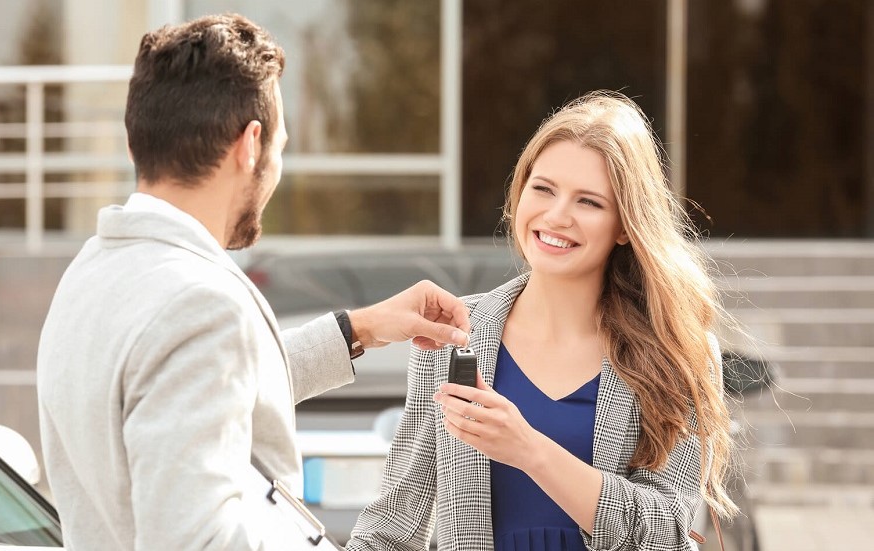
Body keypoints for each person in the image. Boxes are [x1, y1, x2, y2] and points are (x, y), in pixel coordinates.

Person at [36, 14, 470, 551]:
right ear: (250, 145)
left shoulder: (93, 271)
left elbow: (191, 388)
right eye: (280, 148)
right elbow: (194, 540)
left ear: (136, 144)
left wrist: (360, 329)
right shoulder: (199, 306)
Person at [347, 91, 738, 551]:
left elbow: (670, 532)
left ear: (626, 225)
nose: (556, 216)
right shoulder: (455, 335)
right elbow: (395, 523)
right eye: (544, 188)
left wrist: (529, 450)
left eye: (588, 202)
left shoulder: (678, 352)